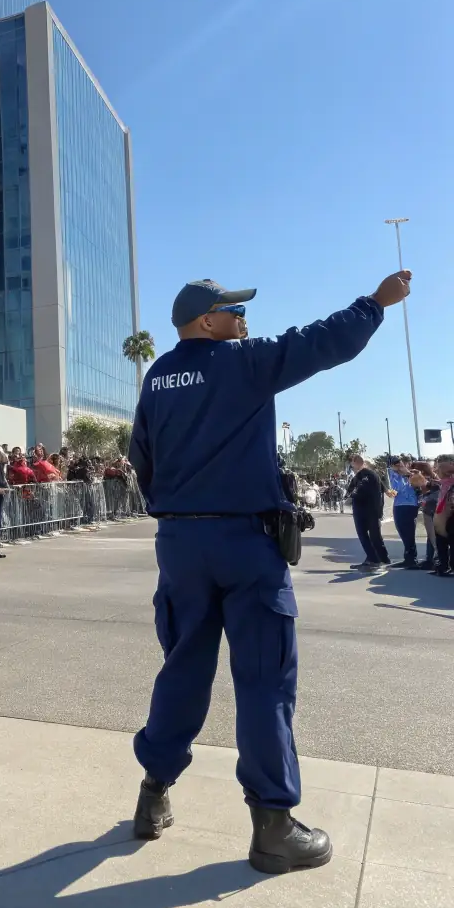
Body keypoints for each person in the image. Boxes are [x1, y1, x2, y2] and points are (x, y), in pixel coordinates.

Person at [128, 271, 411, 875]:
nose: (243, 318)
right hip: (245, 542)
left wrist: (178, 510)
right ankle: (273, 828)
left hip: (180, 543)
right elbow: (320, 341)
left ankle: (153, 793)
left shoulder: (157, 377)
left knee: (182, 669)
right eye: (233, 310)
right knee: (263, 680)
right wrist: (374, 303)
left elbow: (141, 458)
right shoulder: (244, 362)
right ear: (207, 321)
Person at [345, 455, 389, 572]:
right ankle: (381, 559)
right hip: (370, 510)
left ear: (357, 463)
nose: (351, 466)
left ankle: (374, 560)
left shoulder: (366, 475)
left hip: (365, 510)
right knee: (374, 536)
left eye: (352, 464)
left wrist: (350, 496)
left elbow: (358, 490)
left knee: (364, 535)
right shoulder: (367, 475)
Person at [388, 460, 420, 568]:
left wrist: (403, 474)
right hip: (399, 505)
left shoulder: (413, 474)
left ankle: (411, 559)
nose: (399, 467)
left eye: (401, 464)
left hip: (409, 505)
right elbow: (393, 490)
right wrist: (395, 474)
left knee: (408, 532)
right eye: (396, 465)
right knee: (402, 531)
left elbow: (398, 488)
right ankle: (409, 558)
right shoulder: (394, 475)